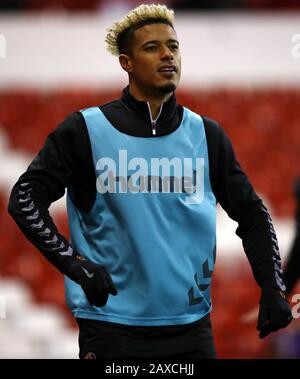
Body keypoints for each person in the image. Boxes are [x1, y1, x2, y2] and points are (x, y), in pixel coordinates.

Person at [8, 3, 292, 359]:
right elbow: (24, 198)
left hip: (191, 329)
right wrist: (73, 262)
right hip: (110, 327)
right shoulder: (84, 131)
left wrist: (272, 286)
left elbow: (252, 214)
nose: (167, 54)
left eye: (173, 46)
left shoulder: (206, 135)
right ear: (126, 62)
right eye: (151, 47)